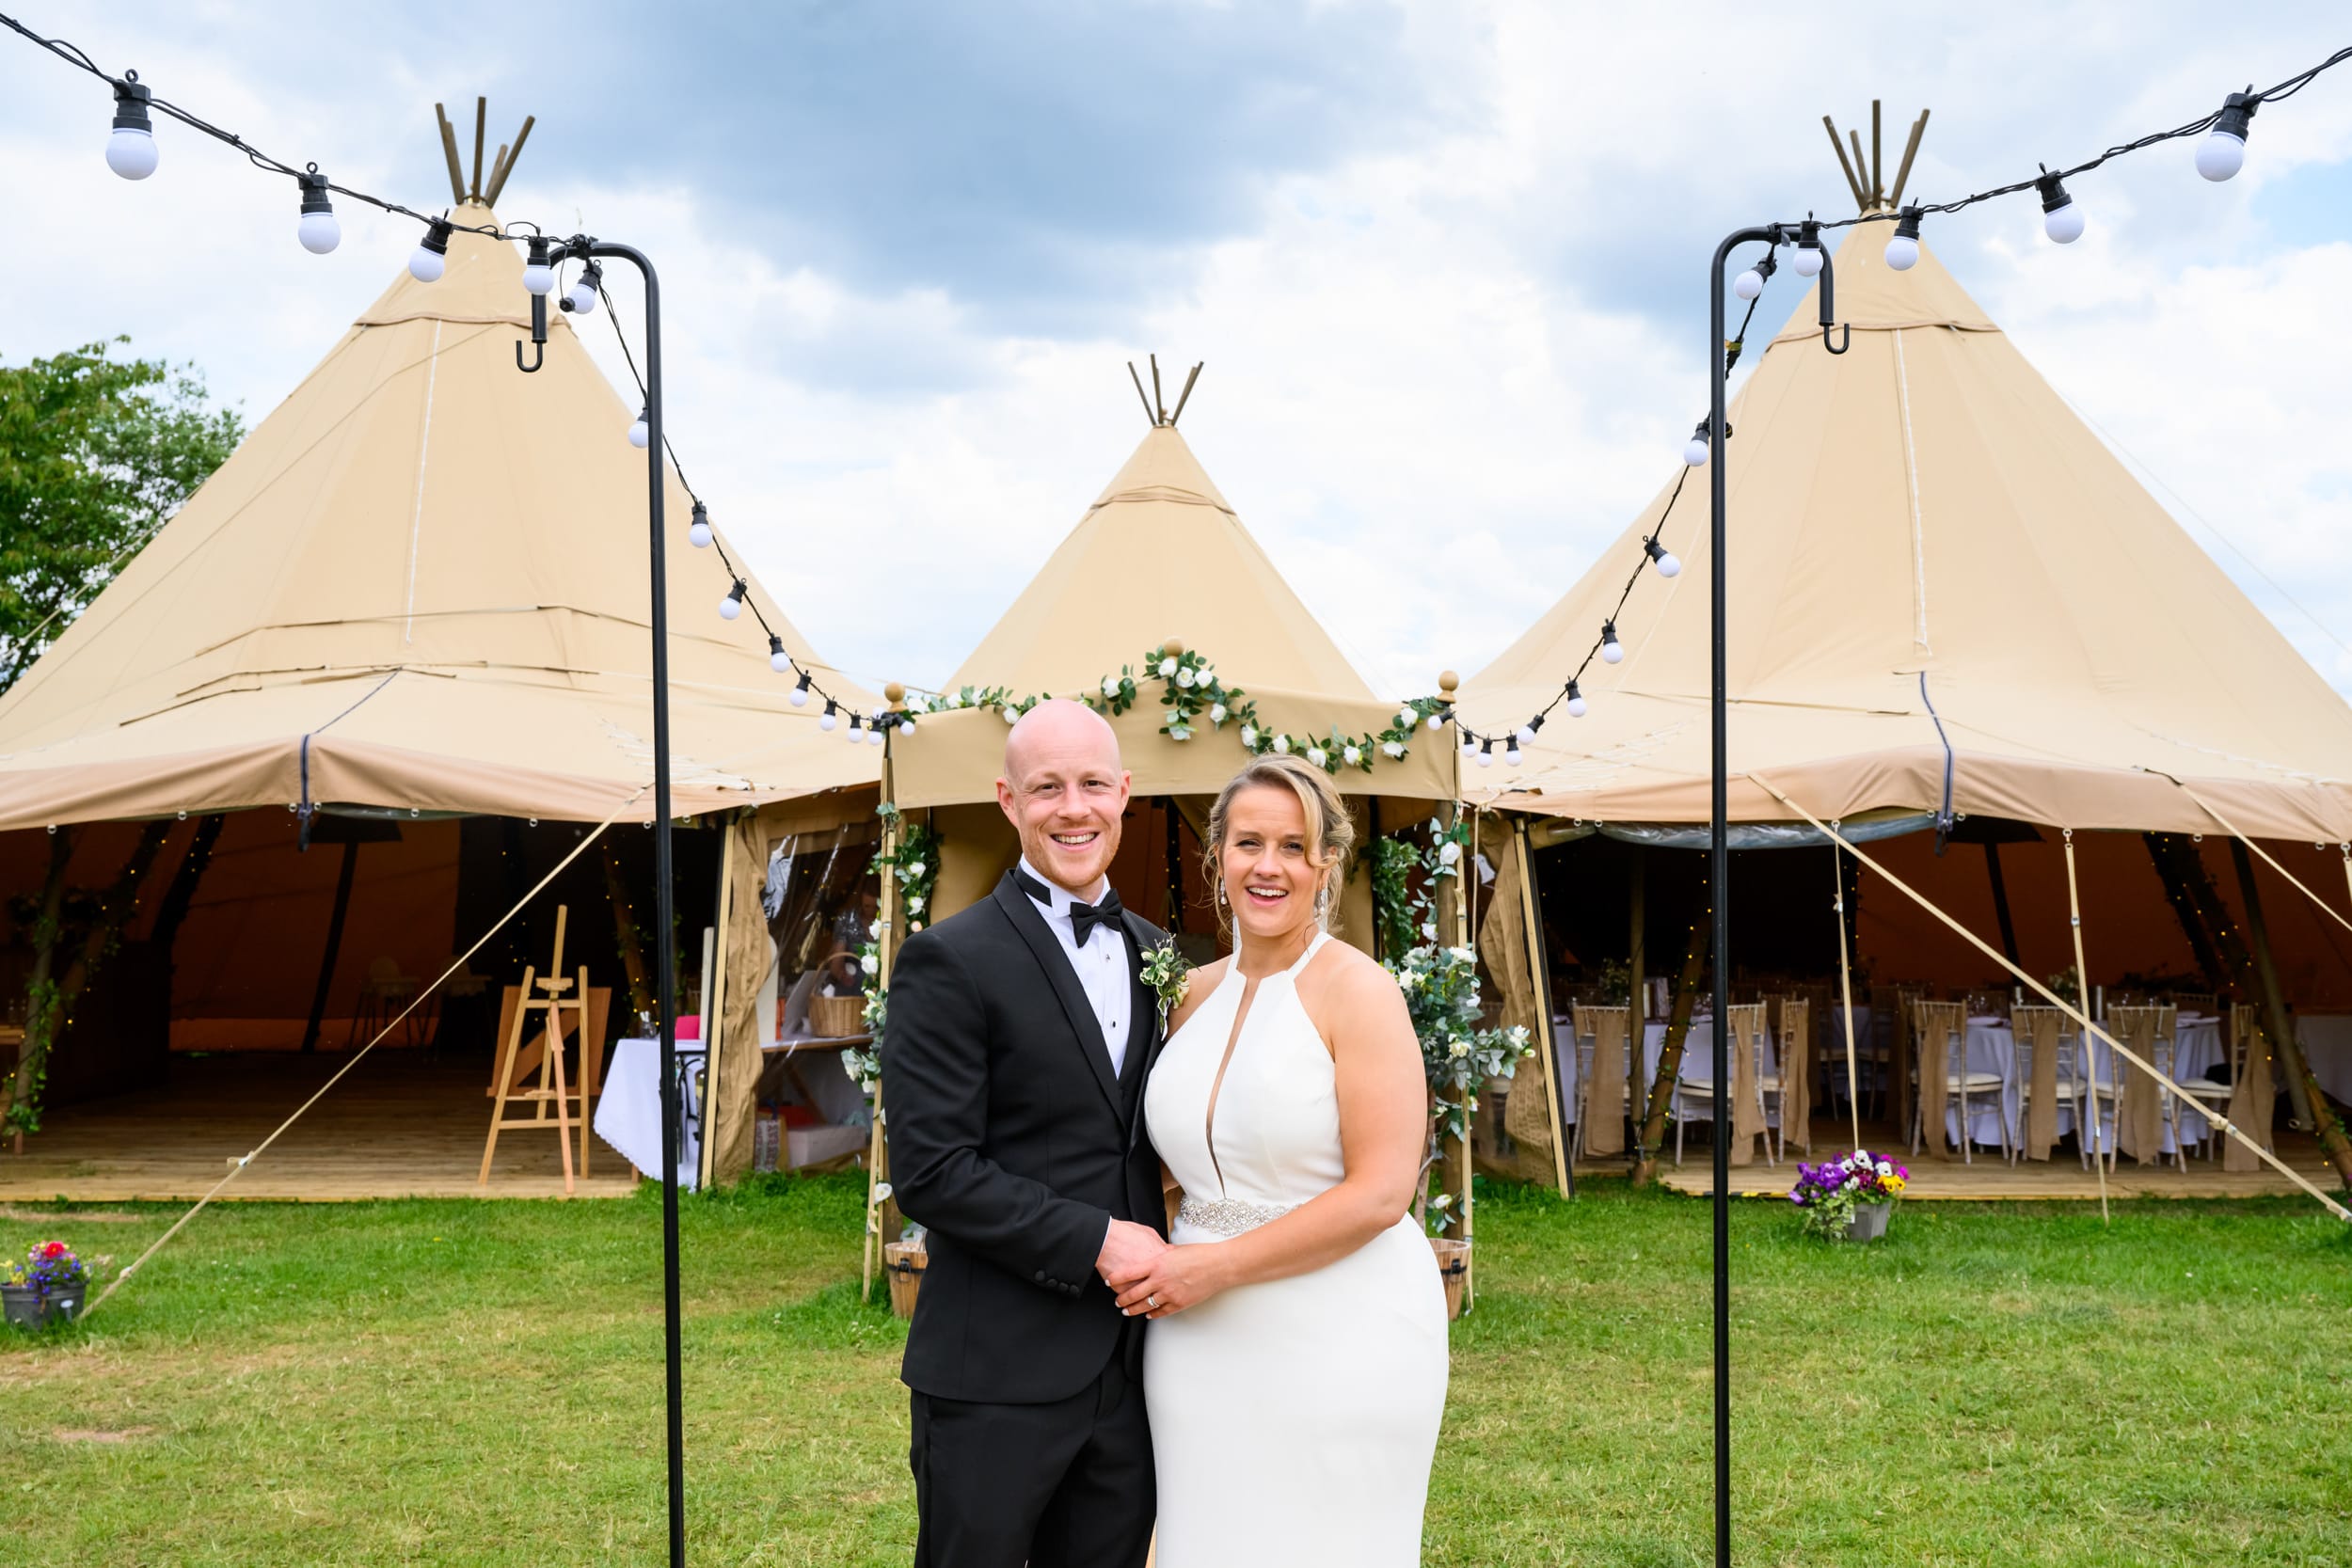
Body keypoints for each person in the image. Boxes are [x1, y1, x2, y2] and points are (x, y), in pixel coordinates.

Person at [1121, 752, 1447, 1565]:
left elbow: (1381, 1192)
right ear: (1217, 857)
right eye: (1249, 843)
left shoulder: (1359, 991)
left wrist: (1218, 1266)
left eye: (1294, 847)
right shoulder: (1185, 993)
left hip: (1343, 1329)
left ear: (1326, 865)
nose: (1269, 866)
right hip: (1193, 1337)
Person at [883, 699, 1169, 1568]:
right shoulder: (950, 958)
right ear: (1008, 801)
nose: (1072, 808)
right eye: (1047, 787)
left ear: (1125, 794)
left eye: (1091, 784)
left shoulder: (1162, 954)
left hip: (1132, 1374)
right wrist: (1095, 1240)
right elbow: (931, 1170)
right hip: (994, 1374)